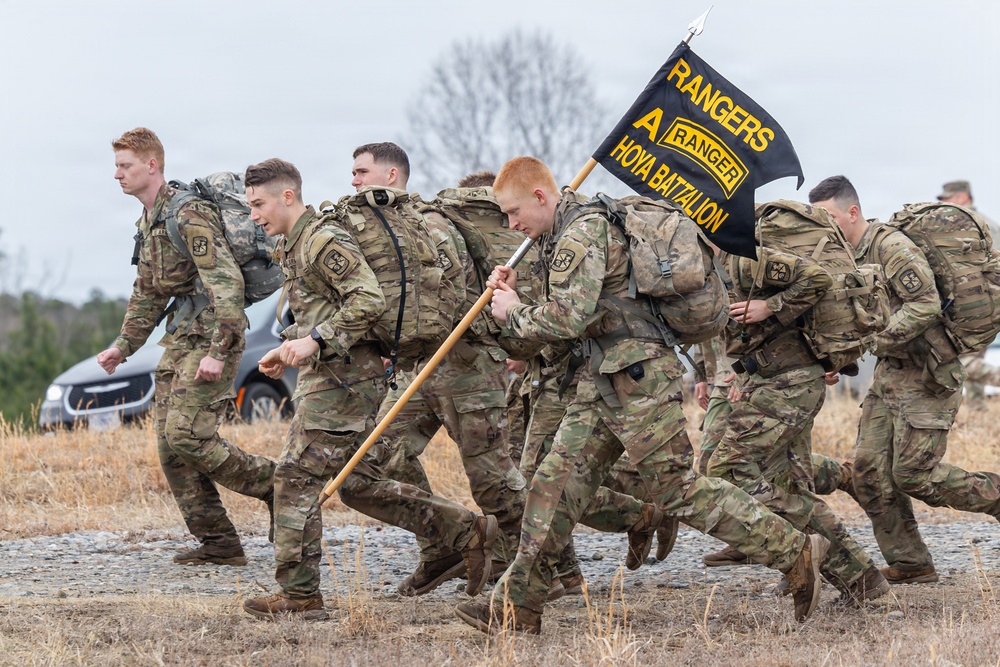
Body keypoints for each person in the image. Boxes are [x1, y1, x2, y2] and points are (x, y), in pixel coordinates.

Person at [455, 156, 829, 635]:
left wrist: (513, 312)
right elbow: (576, 322)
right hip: (603, 378)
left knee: (676, 488)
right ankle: (517, 607)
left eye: (513, 213)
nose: (512, 225)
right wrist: (512, 303)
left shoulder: (580, 233)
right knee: (554, 484)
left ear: (540, 197)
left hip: (638, 379)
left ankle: (794, 551)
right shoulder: (559, 236)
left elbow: (567, 319)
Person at [239, 158, 497, 620]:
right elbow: (321, 310)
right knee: (358, 483)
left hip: (344, 382)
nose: (254, 215)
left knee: (295, 480)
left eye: (258, 204)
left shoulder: (322, 239)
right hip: (334, 377)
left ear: (287, 196)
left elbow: (367, 299)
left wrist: (316, 340)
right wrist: (287, 348)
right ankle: (464, 533)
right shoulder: (295, 244)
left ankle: (299, 597)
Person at [344, 143, 529, 596]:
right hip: (418, 370)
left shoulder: (428, 224)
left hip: (466, 368)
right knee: (369, 465)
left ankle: (548, 570)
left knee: (494, 484)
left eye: (361, 171)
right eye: (351, 173)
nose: (353, 181)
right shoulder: (379, 232)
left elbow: (444, 297)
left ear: (391, 176)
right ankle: (445, 543)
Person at [809, 175, 1000, 585]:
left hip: (929, 373)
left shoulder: (891, 247)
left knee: (914, 474)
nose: (824, 225)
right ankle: (912, 563)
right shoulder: (846, 254)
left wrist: (866, 343)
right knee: (870, 472)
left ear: (852, 211)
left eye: (829, 216)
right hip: (890, 374)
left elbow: (925, 305)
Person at [97, 128, 274, 567]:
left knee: (187, 436)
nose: (116, 174)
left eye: (125, 166)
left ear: (151, 165)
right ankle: (219, 544)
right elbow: (150, 291)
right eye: (117, 165)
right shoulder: (150, 219)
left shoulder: (187, 213)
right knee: (168, 447)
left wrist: (219, 349)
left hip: (212, 334)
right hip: (181, 336)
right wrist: (123, 346)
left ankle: (276, 484)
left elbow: (226, 282)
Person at [702, 195, 889, 604]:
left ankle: (797, 548)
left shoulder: (746, 257)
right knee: (787, 486)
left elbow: (817, 278)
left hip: (790, 383)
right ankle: (864, 583)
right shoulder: (717, 264)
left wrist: (771, 306)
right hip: (772, 379)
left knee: (727, 469)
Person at [937, 180, 1000, 404]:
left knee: (961, 361)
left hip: (975, 304)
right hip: (985, 303)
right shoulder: (986, 223)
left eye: (947, 199)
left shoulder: (970, 224)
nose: (944, 205)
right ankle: (977, 410)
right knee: (973, 356)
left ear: (963, 197)